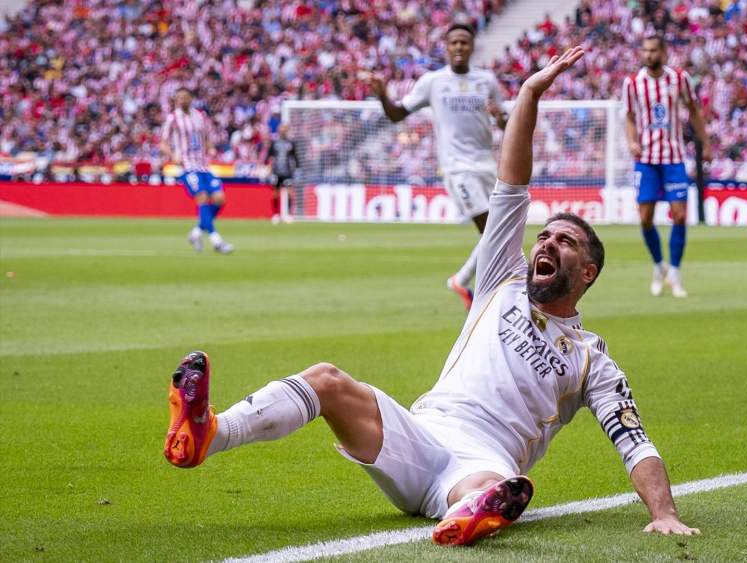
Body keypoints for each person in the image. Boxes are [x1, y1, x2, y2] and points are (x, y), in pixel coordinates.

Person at [163, 47, 699, 547]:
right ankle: (210, 431)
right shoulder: (502, 278)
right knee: (326, 379)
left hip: (482, 459)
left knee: (499, 482)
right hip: (417, 431)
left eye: (566, 241)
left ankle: (470, 510)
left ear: (588, 272)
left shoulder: (591, 359)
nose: (547, 242)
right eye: (544, 235)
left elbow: (634, 440)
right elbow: (512, 182)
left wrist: (664, 512)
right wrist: (529, 96)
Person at [367, 22, 508, 310]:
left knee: (499, 231)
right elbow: (396, 115)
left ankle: (465, 281)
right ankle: (474, 283)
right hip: (457, 168)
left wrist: (499, 117)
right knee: (493, 230)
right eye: (454, 42)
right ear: (446, 47)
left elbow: (506, 122)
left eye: (464, 43)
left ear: (471, 48)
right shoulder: (433, 82)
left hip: (487, 166)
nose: (459, 47)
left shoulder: (486, 81)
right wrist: (383, 95)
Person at [623, 36, 711, 297]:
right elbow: (629, 116)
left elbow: (694, 111)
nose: (648, 55)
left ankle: (674, 270)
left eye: (653, 50)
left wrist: (705, 143)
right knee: (645, 218)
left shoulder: (679, 79)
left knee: (680, 215)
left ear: (664, 52)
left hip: (673, 157)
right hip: (646, 159)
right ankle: (658, 264)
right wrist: (632, 141)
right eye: (645, 50)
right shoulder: (633, 83)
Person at [159, 87, 234, 254]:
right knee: (202, 197)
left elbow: (205, 138)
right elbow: (163, 143)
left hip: (203, 166)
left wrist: (211, 148)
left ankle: (196, 233)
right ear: (176, 101)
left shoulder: (199, 116)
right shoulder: (173, 118)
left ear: (190, 99)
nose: (182, 101)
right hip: (187, 167)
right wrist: (172, 155)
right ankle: (217, 241)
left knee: (220, 199)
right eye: (179, 98)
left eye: (185, 97)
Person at [265, 124, 300, 224]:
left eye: (285, 129)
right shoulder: (274, 143)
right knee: (275, 194)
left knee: (290, 192)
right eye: (281, 129)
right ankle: (276, 214)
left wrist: (297, 170)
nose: (283, 131)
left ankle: (288, 214)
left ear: (287, 131)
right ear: (279, 131)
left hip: (288, 172)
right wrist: (269, 170)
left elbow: (295, 157)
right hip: (276, 172)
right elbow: (270, 157)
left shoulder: (291, 143)